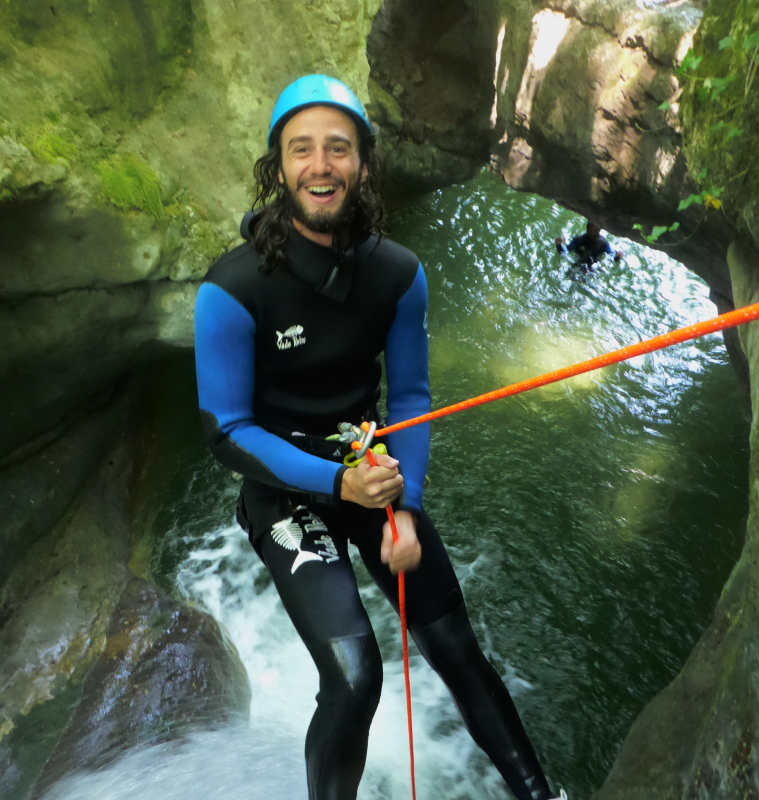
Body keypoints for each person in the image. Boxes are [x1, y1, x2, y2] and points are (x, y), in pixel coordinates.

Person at [194, 74, 567, 800]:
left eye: (338, 148)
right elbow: (226, 432)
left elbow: (414, 396)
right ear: (279, 166)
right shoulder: (233, 290)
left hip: (372, 467)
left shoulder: (397, 274)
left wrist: (407, 503)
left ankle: (540, 795)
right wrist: (339, 483)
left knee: (457, 647)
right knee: (356, 671)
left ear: (364, 161)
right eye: (301, 149)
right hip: (286, 488)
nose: (320, 165)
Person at [556, 220, 622, 267]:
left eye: (595, 230)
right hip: (578, 264)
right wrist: (559, 245)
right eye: (590, 230)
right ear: (587, 229)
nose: (592, 233)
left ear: (599, 230)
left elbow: (611, 257)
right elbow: (565, 252)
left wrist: (617, 257)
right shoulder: (578, 240)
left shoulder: (603, 243)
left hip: (594, 267)